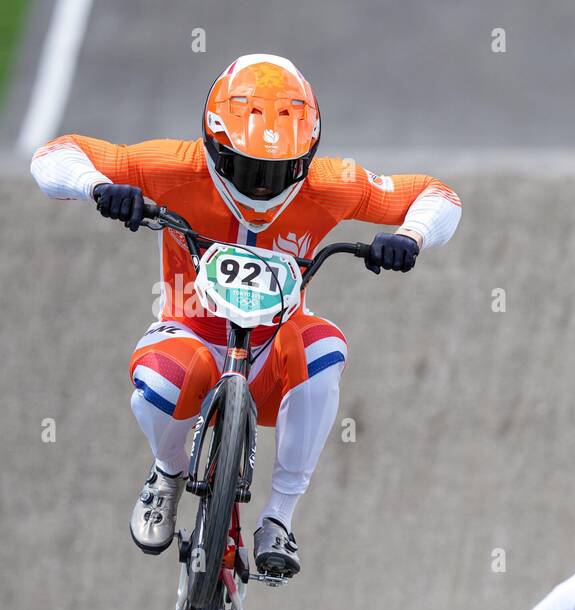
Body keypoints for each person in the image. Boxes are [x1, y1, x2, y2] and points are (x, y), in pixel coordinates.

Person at [30, 54, 461, 577]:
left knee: (325, 347)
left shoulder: (332, 182)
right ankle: (167, 472)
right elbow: (55, 154)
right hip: (190, 332)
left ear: (306, 157)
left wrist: (409, 237)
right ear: (213, 147)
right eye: (247, 168)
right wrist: (98, 188)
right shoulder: (172, 165)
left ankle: (278, 518)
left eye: (277, 173)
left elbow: (438, 195)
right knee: (168, 379)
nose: (260, 187)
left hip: (272, 353)